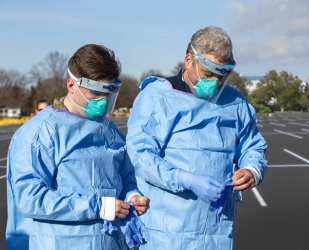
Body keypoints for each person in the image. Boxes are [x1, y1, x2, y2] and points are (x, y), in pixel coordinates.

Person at [126, 26, 268, 250]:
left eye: (221, 76)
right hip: (165, 233)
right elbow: (140, 155)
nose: (215, 82)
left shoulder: (235, 103)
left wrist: (252, 169)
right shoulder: (157, 98)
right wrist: (184, 178)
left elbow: (252, 145)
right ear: (188, 60)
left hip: (216, 232)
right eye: (208, 74)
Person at [6, 44, 150, 250]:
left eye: (108, 92)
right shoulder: (42, 133)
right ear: (71, 85)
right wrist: (97, 206)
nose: (103, 100)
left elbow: (125, 177)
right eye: (95, 93)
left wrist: (132, 196)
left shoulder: (109, 130)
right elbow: (30, 197)